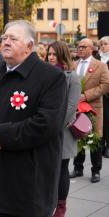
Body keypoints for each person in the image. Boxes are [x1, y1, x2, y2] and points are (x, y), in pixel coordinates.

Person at [0, 20, 67, 217]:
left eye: (13, 39)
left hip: (28, 181)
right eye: (4, 38)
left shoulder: (51, 77)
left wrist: (2, 138)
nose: (6, 42)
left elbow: (46, 124)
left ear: (30, 46)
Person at [46, 41, 81, 217]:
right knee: (47, 169)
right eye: (49, 54)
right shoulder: (44, 74)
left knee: (61, 169)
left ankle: (60, 206)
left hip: (62, 133)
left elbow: (71, 107)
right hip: (45, 131)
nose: (51, 57)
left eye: (54, 54)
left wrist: (52, 126)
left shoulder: (71, 77)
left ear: (62, 55)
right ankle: (47, 202)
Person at [70, 38, 109, 183]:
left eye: (83, 47)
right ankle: (78, 167)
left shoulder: (100, 66)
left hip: (93, 108)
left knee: (95, 140)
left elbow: (106, 85)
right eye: (78, 46)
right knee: (77, 135)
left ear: (91, 49)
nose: (79, 49)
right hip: (76, 108)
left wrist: (85, 96)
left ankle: (96, 170)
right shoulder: (73, 64)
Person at [99, 36, 109, 158]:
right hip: (97, 94)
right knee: (100, 121)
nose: (103, 46)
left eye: (105, 44)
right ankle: (100, 144)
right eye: (101, 44)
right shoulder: (97, 58)